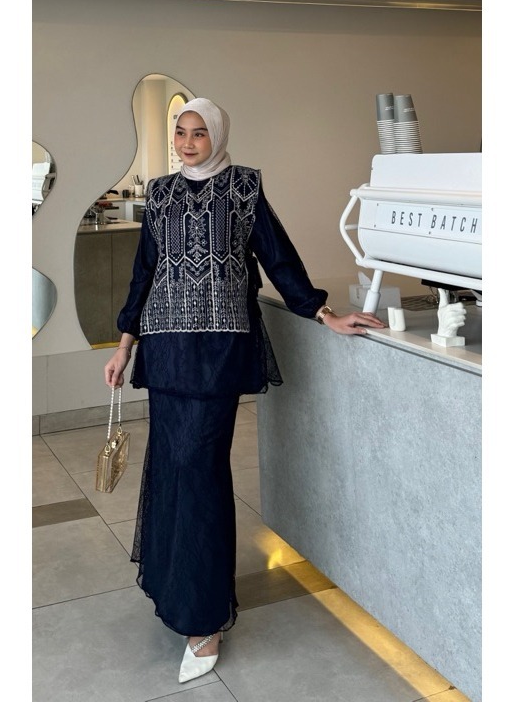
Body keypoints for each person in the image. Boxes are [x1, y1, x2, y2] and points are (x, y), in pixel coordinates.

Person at [104, 97, 383, 684]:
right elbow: (144, 271)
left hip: (219, 354)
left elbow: (278, 258)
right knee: (172, 467)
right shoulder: (160, 193)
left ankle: (204, 619)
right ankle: (175, 589)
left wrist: (322, 311)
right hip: (165, 349)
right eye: (180, 132)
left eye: (198, 133)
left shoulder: (244, 188)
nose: (187, 143)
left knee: (201, 473)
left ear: (218, 136)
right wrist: (124, 343)